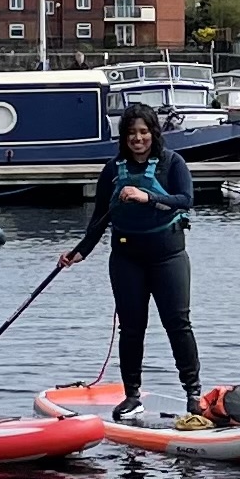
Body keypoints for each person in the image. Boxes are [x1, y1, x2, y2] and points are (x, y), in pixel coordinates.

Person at [59, 102, 202, 422]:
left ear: (154, 133)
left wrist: (147, 196)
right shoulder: (112, 169)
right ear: (123, 137)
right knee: (132, 328)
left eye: (144, 132)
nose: (138, 138)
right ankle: (132, 395)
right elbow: (99, 219)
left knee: (178, 325)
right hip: (126, 259)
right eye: (131, 133)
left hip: (168, 257)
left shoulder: (172, 163)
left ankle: (193, 393)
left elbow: (186, 199)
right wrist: (79, 252)